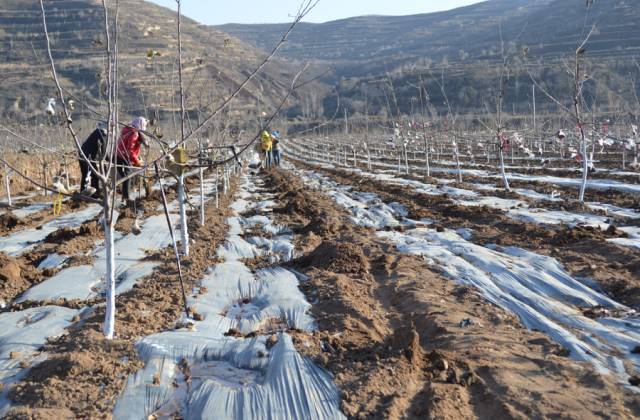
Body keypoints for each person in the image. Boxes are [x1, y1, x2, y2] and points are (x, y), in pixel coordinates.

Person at [116, 117, 148, 202]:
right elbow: (130, 151)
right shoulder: (134, 133)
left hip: (118, 155)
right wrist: (137, 162)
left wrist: (137, 158)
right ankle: (126, 197)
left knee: (125, 176)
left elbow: (131, 148)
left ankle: (124, 196)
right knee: (127, 176)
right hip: (123, 156)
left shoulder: (127, 129)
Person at [79, 122, 107, 196]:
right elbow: (103, 149)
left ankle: (83, 192)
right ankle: (95, 194)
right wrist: (108, 159)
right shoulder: (101, 134)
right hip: (88, 157)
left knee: (85, 175)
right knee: (94, 175)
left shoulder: (96, 132)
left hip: (83, 155)